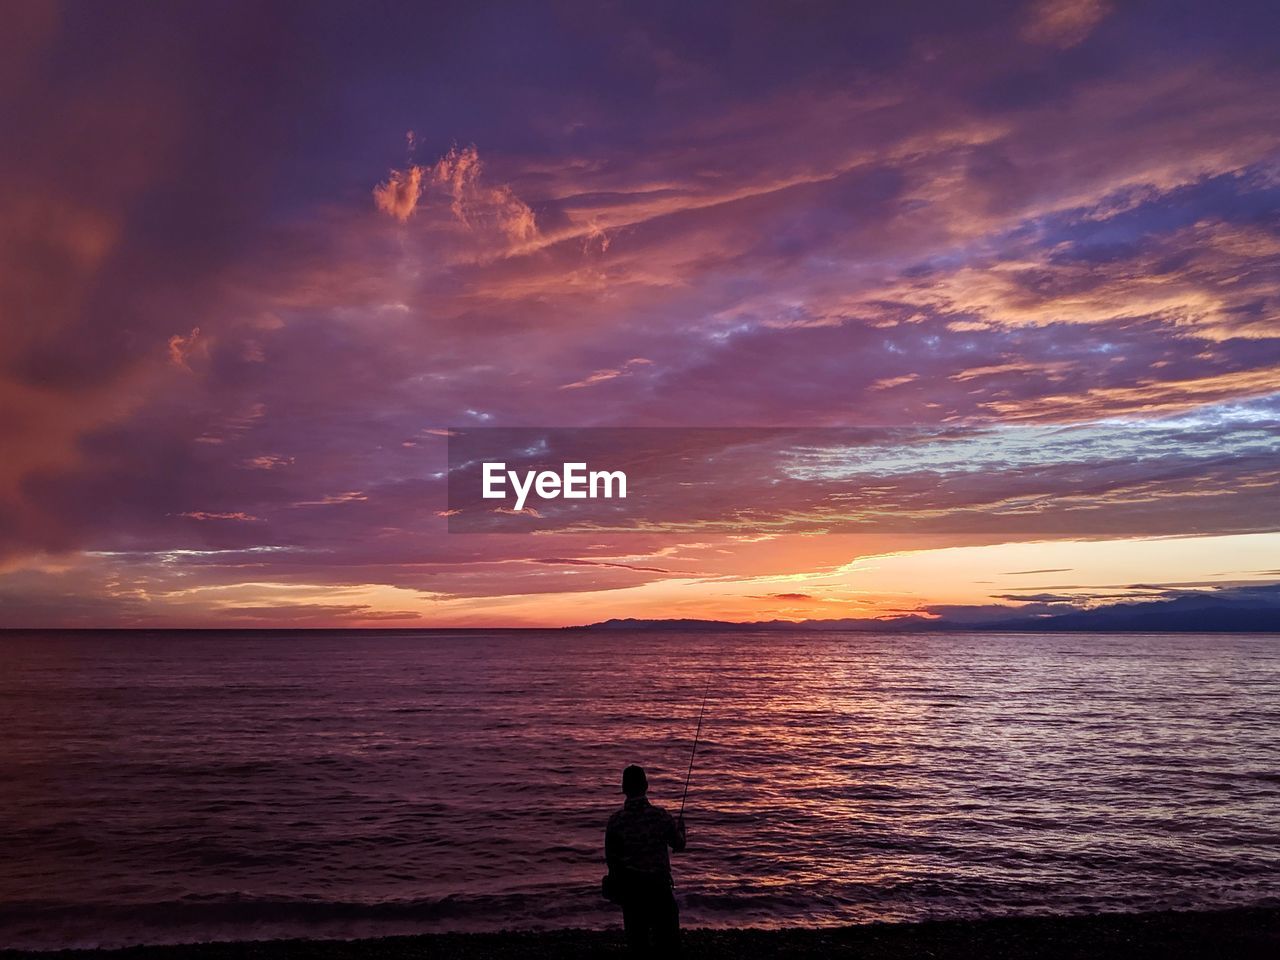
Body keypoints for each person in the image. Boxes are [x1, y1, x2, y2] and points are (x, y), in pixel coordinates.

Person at [604, 764, 687, 956]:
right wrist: (682, 829)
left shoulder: (616, 822)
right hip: (659, 889)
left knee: (637, 945)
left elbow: (611, 860)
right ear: (646, 786)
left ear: (623, 788)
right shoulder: (660, 816)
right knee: (668, 945)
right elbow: (679, 845)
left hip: (632, 891)